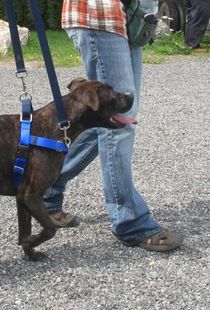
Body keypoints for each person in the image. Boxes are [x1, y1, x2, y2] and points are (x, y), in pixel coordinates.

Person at [43, 0, 183, 251]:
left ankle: (45, 190)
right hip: (99, 14)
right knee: (118, 121)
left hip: (129, 17)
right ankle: (130, 222)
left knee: (109, 124)